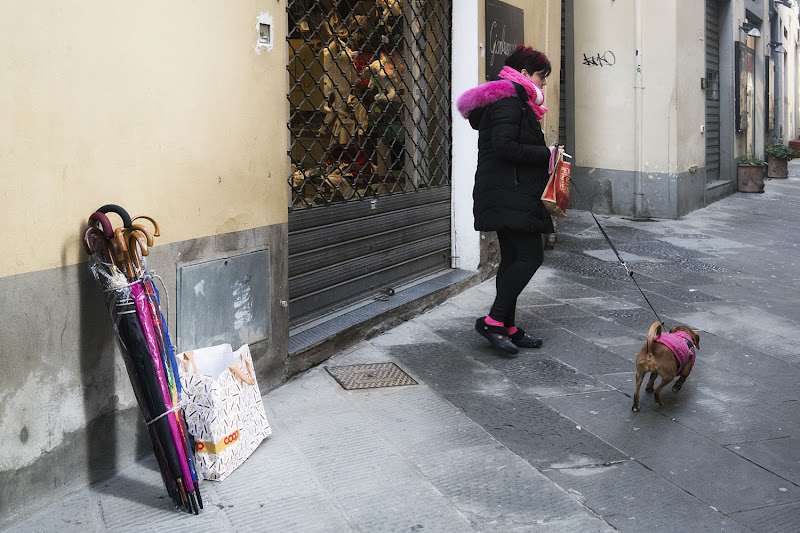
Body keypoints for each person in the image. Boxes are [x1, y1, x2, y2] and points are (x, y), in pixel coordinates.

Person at [456, 45, 560, 355]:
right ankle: (493, 321)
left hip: (508, 192)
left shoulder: (514, 101)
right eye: (541, 77)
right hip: (508, 194)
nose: (544, 84)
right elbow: (503, 146)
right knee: (530, 257)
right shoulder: (510, 102)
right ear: (525, 74)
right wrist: (548, 155)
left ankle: (508, 327)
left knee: (514, 259)